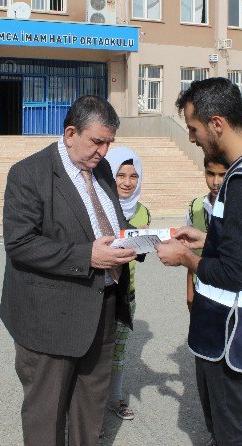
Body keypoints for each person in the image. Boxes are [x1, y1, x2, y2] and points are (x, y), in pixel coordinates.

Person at [155, 77, 242, 446]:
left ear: (217, 123)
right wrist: (207, 239)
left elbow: (233, 272)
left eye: (194, 129)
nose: (192, 138)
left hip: (231, 330)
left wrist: (184, 257)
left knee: (235, 432)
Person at [0, 95, 137, 446]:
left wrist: (142, 241)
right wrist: (86, 256)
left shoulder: (100, 168)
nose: (104, 152)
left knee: (90, 406)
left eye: (109, 143)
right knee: (46, 414)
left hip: (102, 306)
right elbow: (19, 243)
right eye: (97, 142)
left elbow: (112, 222)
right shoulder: (28, 174)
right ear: (71, 133)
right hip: (51, 318)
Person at [104, 146, 151, 420]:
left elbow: (141, 255)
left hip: (127, 293)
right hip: (100, 290)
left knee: (120, 349)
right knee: (97, 351)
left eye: (133, 176)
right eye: (120, 175)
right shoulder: (99, 205)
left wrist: (149, 240)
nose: (127, 182)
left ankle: (115, 398)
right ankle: (90, 408)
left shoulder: (142, 211)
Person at [185, 155, 229, 311]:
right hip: (201, 286)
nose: (216, 182)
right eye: (210, 174)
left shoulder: (238, 208)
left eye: (223, 174)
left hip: (228, 291)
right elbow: (191, 253)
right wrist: (190, 290)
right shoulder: (195, 207)